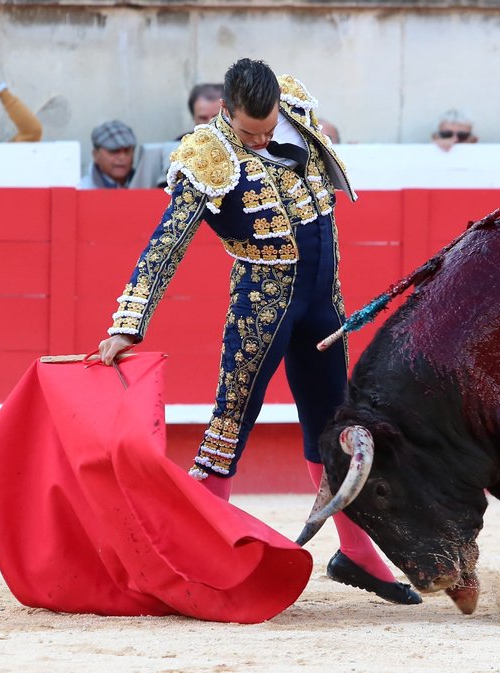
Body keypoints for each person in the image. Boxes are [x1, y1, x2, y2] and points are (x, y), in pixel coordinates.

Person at [95, 58, 421, 606]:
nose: (265, 139)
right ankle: (186, 555)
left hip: (323, 302)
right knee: (230, 424)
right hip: (262, 305)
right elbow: (166, 244)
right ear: (225, 111)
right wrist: (129, 322)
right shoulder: (207, 152)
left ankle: (357, 554)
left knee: (332, 426)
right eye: (252, 132)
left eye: (270, 128)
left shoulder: (293, 107)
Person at [79, 120, 137, 189]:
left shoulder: (147, 186)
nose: (122, 157)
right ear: (95, 155)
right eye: (114, 151)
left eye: (127, 151)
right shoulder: (82, 189)